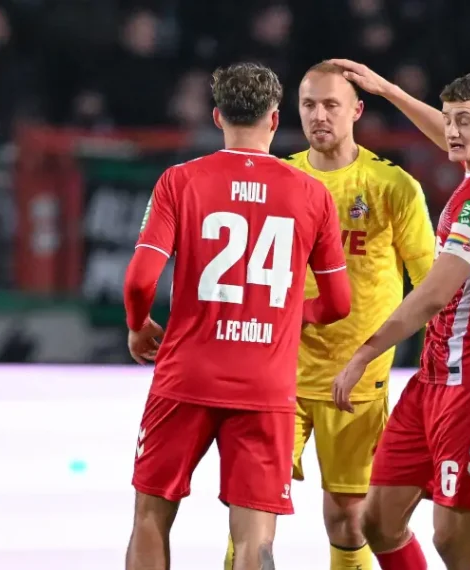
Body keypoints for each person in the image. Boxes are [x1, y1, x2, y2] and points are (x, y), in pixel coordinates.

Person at [122, 62, 351, 570]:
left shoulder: (179, 181)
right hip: (265, 385)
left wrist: (139, 325)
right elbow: (339, 303)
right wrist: (290, 315)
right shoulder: (312, 194)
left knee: (150, 518)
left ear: (217, 116)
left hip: (186, 375)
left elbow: (140, 280)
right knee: (255, 540)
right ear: (275, 120)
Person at [224, 62, 435, 570]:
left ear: (357, 111)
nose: (319, 115)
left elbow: (432, 284)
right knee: (249, 511)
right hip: (279, 375)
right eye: (309, 105)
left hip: (356, 379)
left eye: (332, 105)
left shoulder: (392, 186)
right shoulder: (279, 180)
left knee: (348, 519)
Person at [329, 59, 470, 570]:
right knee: (377, 520)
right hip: (431, 381)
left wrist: (364, 353)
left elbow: (434, 294)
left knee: (452, 538)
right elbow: (447, 132)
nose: (451, 130)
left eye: (464, 120)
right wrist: (390, 91)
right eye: (448, 118)